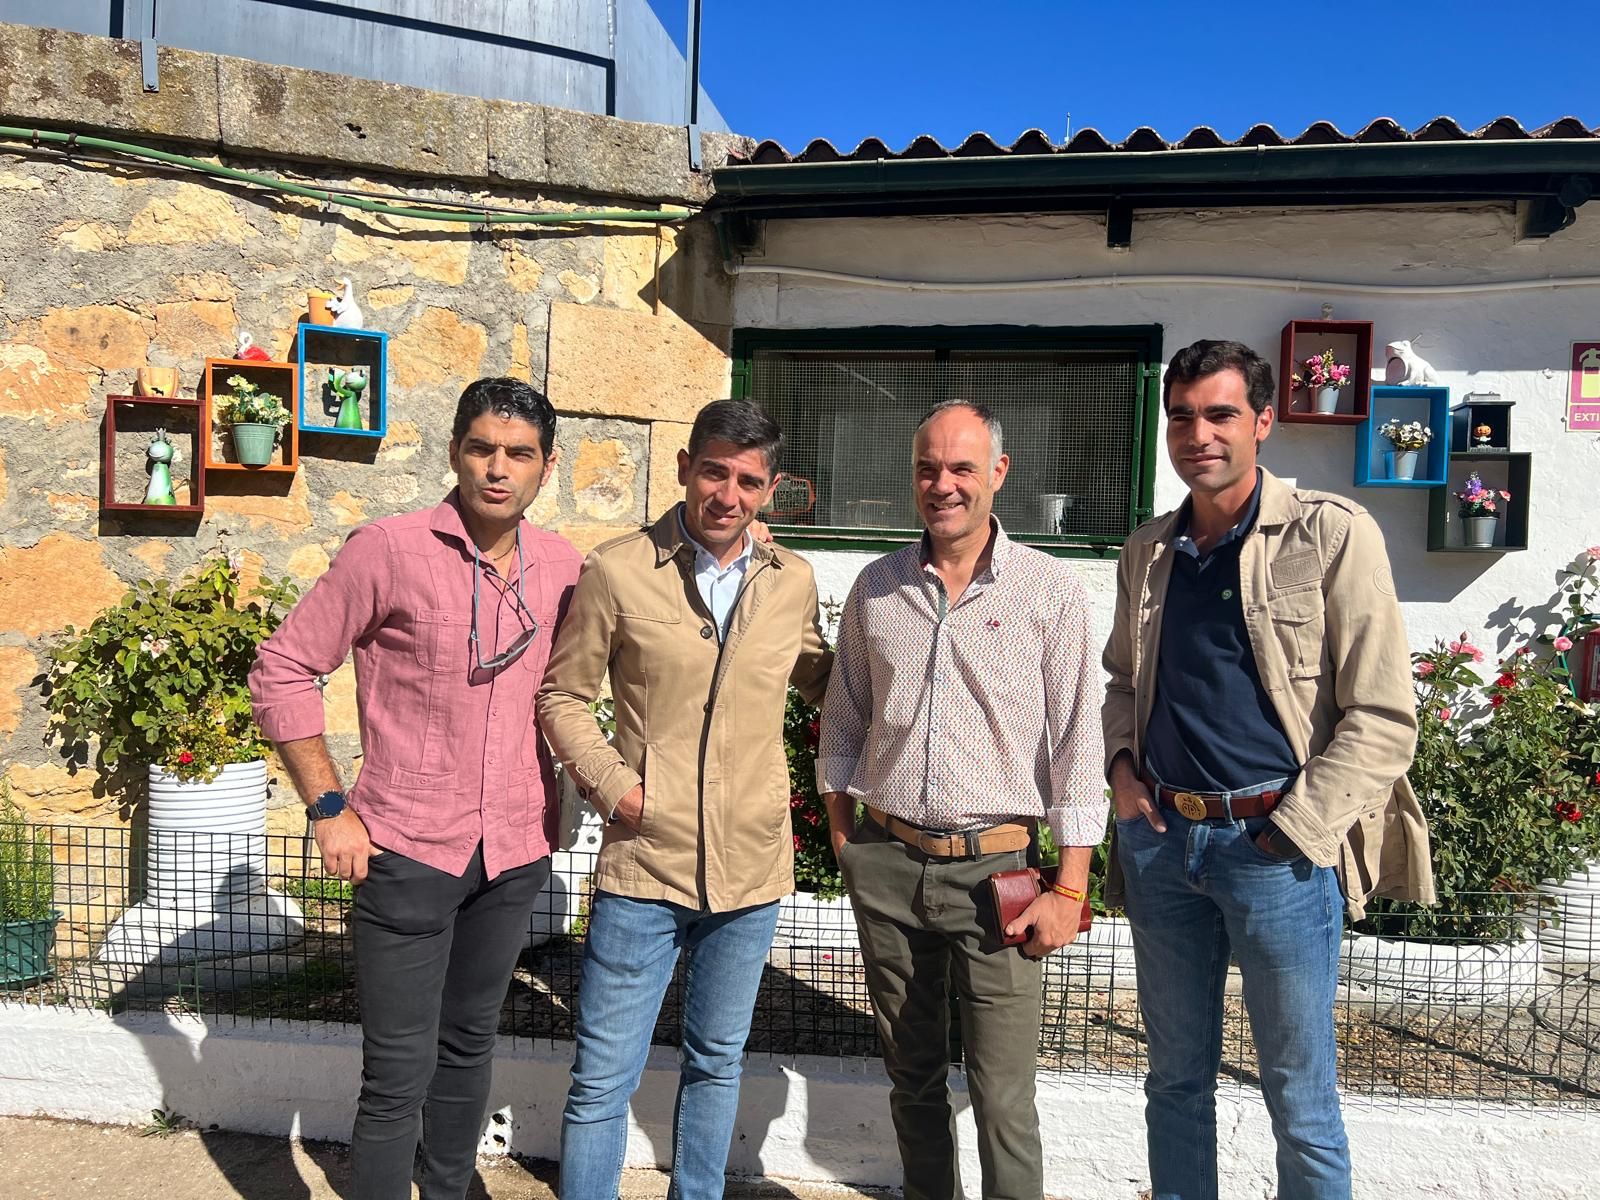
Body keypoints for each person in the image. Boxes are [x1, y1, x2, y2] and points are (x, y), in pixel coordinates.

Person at [1101, 339, 1435, 1200]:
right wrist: (1123, 768)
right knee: (1174, 1082)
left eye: (1220, 414)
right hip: (1162, 843)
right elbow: (1124, 682)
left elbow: (1382, 716)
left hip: (1277, 853)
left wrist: (1293, 831)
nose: (1198, 435)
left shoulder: (1331, 533)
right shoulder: (1149, 550)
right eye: (1182, 417)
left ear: (1263, 422)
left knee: (1299, 1096)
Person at [249, 377, 582, 1200]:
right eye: (482, 449)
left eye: (519, 454)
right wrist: (329, 807)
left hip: (514, 850)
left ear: (546, 468)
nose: (498, 469)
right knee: (398, 1069)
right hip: (406, 848)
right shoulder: (387, 551)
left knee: (469, 1046)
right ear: (455, 452)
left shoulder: (565, 568)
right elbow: (282, 669)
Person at [536, 399, 833, 1200]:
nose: (728, 496)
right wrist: (616, 788)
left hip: (751, 869)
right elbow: (563, 695)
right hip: (644, 862)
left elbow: (826, 681)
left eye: (748, 482)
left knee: (716, 1062)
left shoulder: (791, 582)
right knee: (603, 1078)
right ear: (683, 469)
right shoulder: (618, 569)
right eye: (713, 473)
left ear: (769, 490)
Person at [816, 399, 1106, 1200]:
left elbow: (1078, 745)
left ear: (998, 473)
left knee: (1003, 1098)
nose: (943, 484)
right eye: (928, 468)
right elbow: (843, 720)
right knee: (911, 1083)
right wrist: (846, 841)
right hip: (889, 864)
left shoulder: (1050, 590)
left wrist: (1070, 888)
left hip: (999, 878)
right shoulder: (877, 587)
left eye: (962, 468)